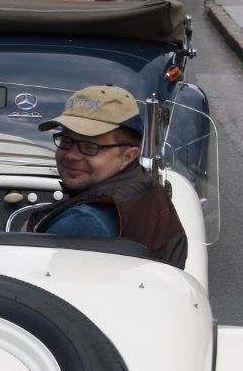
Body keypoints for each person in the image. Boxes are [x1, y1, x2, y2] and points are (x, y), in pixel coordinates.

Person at [28, 85, 187, 268]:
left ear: (129, 155)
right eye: (66, 141)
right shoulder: (145, 187)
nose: (71, 155)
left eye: (89, 147)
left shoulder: (84, 222)